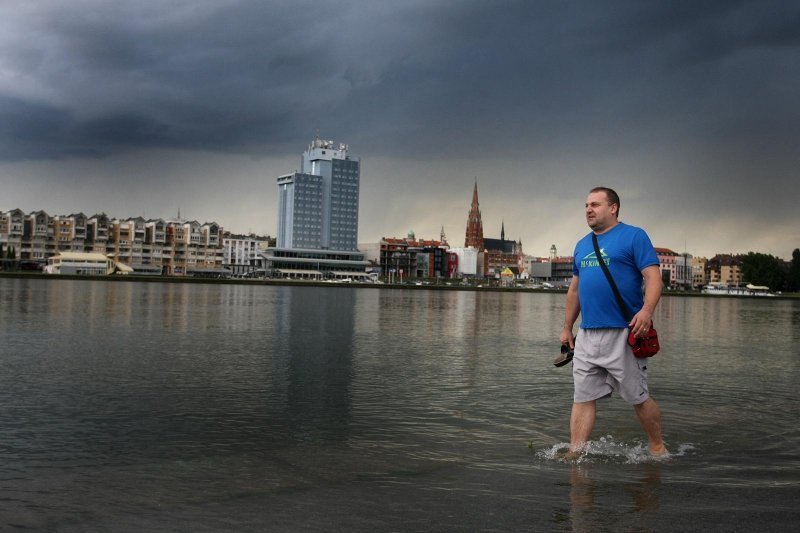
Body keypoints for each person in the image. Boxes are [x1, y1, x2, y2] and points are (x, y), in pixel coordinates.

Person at [560, 186, 667, 457]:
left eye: (595, 204)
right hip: (587, 335)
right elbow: (575, 289)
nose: (588, 209)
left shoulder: (633, 236)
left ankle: (657, 446)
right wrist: (566, 327)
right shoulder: (582, 245)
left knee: (638, 397)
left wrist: (646, 311)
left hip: (624, 332)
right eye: (586, 205)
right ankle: (576, 452)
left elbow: (653, 278)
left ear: (613, 208)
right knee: (582, 398)